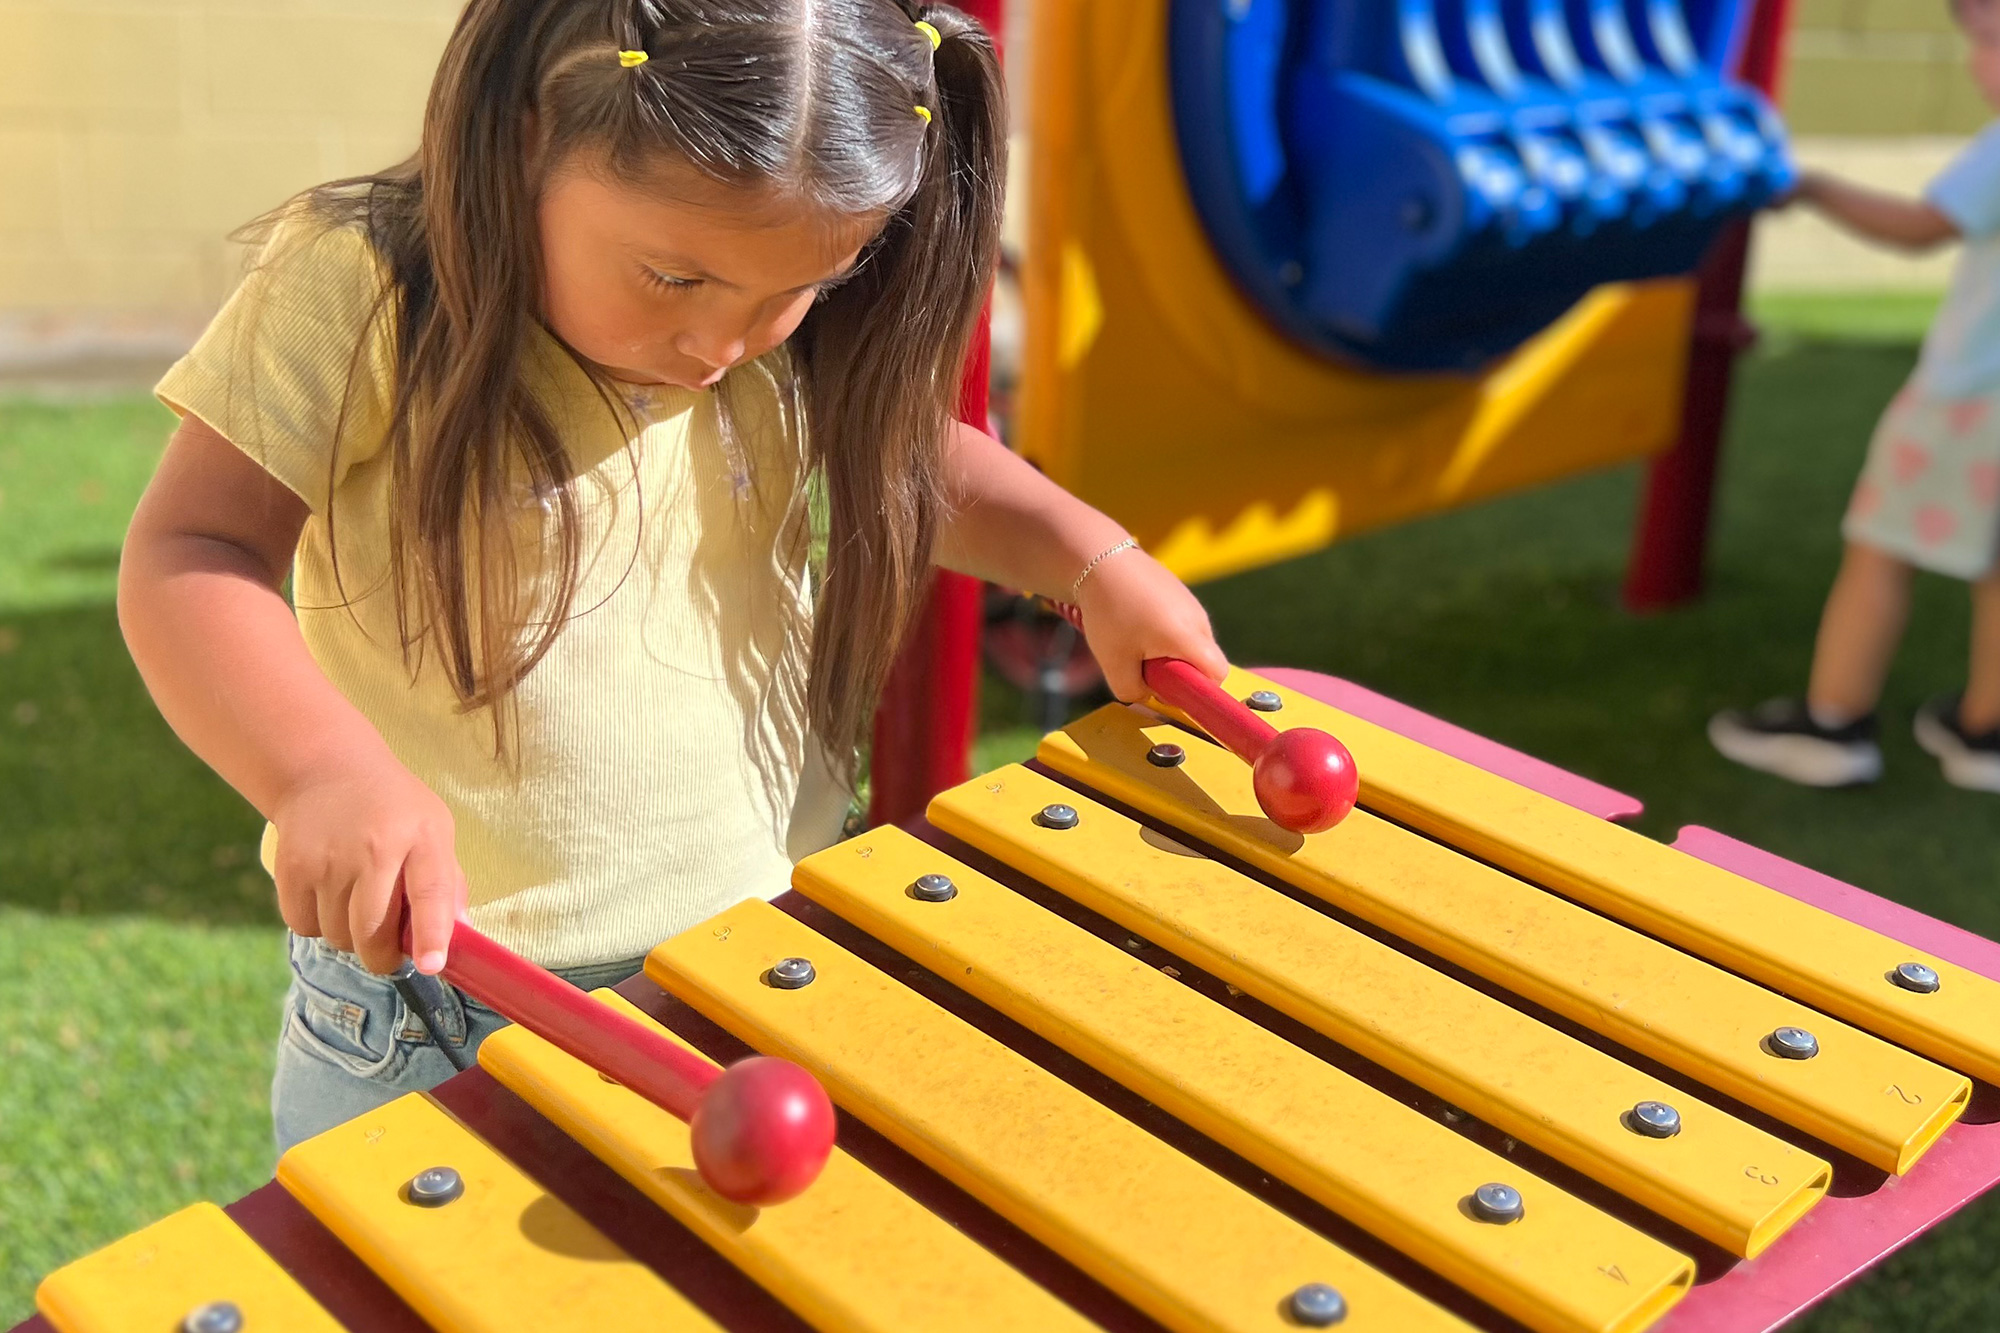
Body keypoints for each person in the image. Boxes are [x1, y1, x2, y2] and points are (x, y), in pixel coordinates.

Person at [116, 0, 1228, 1152]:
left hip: (760, 955)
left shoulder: (756, 306)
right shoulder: (365, 283)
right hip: (449, 1001)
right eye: (672, 276)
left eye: (801, 288)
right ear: (526, 132)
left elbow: (901, 455)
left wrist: (1092, 560)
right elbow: (197, 549)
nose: (725, 343)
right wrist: (318, 774)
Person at [1710, 0, 2000, 794]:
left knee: (1879, 549)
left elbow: (1920, 227)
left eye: (1987, 41)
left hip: (1966, 404)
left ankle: (1833, 723)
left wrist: (1814, 188)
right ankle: (1987, 734)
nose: (1976, 62)